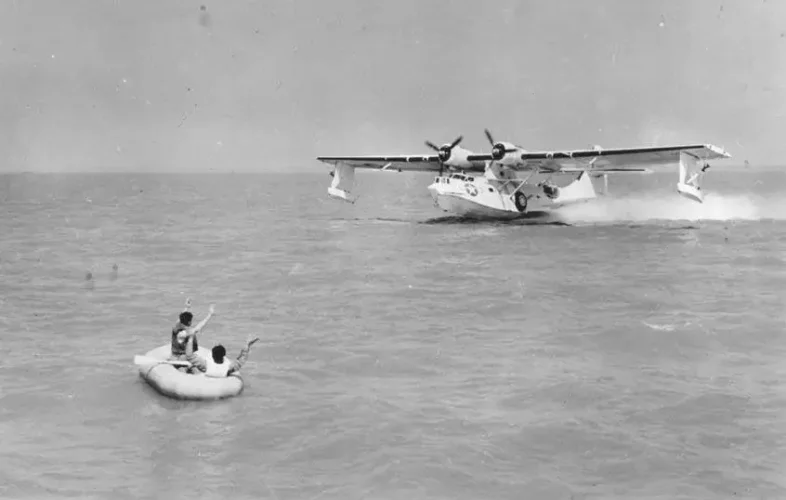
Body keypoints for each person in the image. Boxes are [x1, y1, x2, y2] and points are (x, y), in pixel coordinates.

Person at [184, 333, 260, 377]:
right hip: (221, 381)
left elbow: (189, 356)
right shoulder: (228, 368)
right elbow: (241, 360)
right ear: (224, 355)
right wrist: (248, 344)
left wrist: (190, 339)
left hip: (205, 380)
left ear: (212, 356)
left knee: (193, 367)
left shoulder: (205, 365)